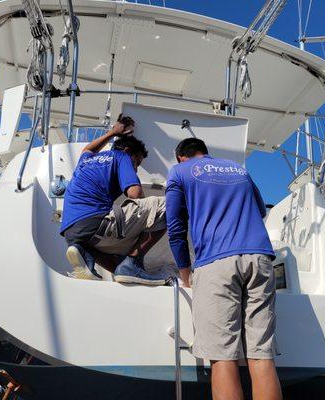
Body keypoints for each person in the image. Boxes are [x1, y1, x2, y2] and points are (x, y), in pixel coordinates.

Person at [165, 138, 282, 400]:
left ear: (181, 157)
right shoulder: (237, 169)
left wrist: (186, 274)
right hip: (260, 258)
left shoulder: (179, 172)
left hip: (217, 263)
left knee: (222, 356)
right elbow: (261, 210)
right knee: (261, 354)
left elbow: (175, 229)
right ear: (204, 152)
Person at [60, 115, 167, 286]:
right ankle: (132, 264)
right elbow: (135, 194)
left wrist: (112, 133)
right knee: (168, 205)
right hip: (93, 223)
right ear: (127, 152)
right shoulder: (122, 157)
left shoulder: (86, 160)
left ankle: (123, 271)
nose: (136, 168)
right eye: (137, 163)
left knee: (116, 260)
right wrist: (148, 221)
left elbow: (88, 149)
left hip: (72, 233)